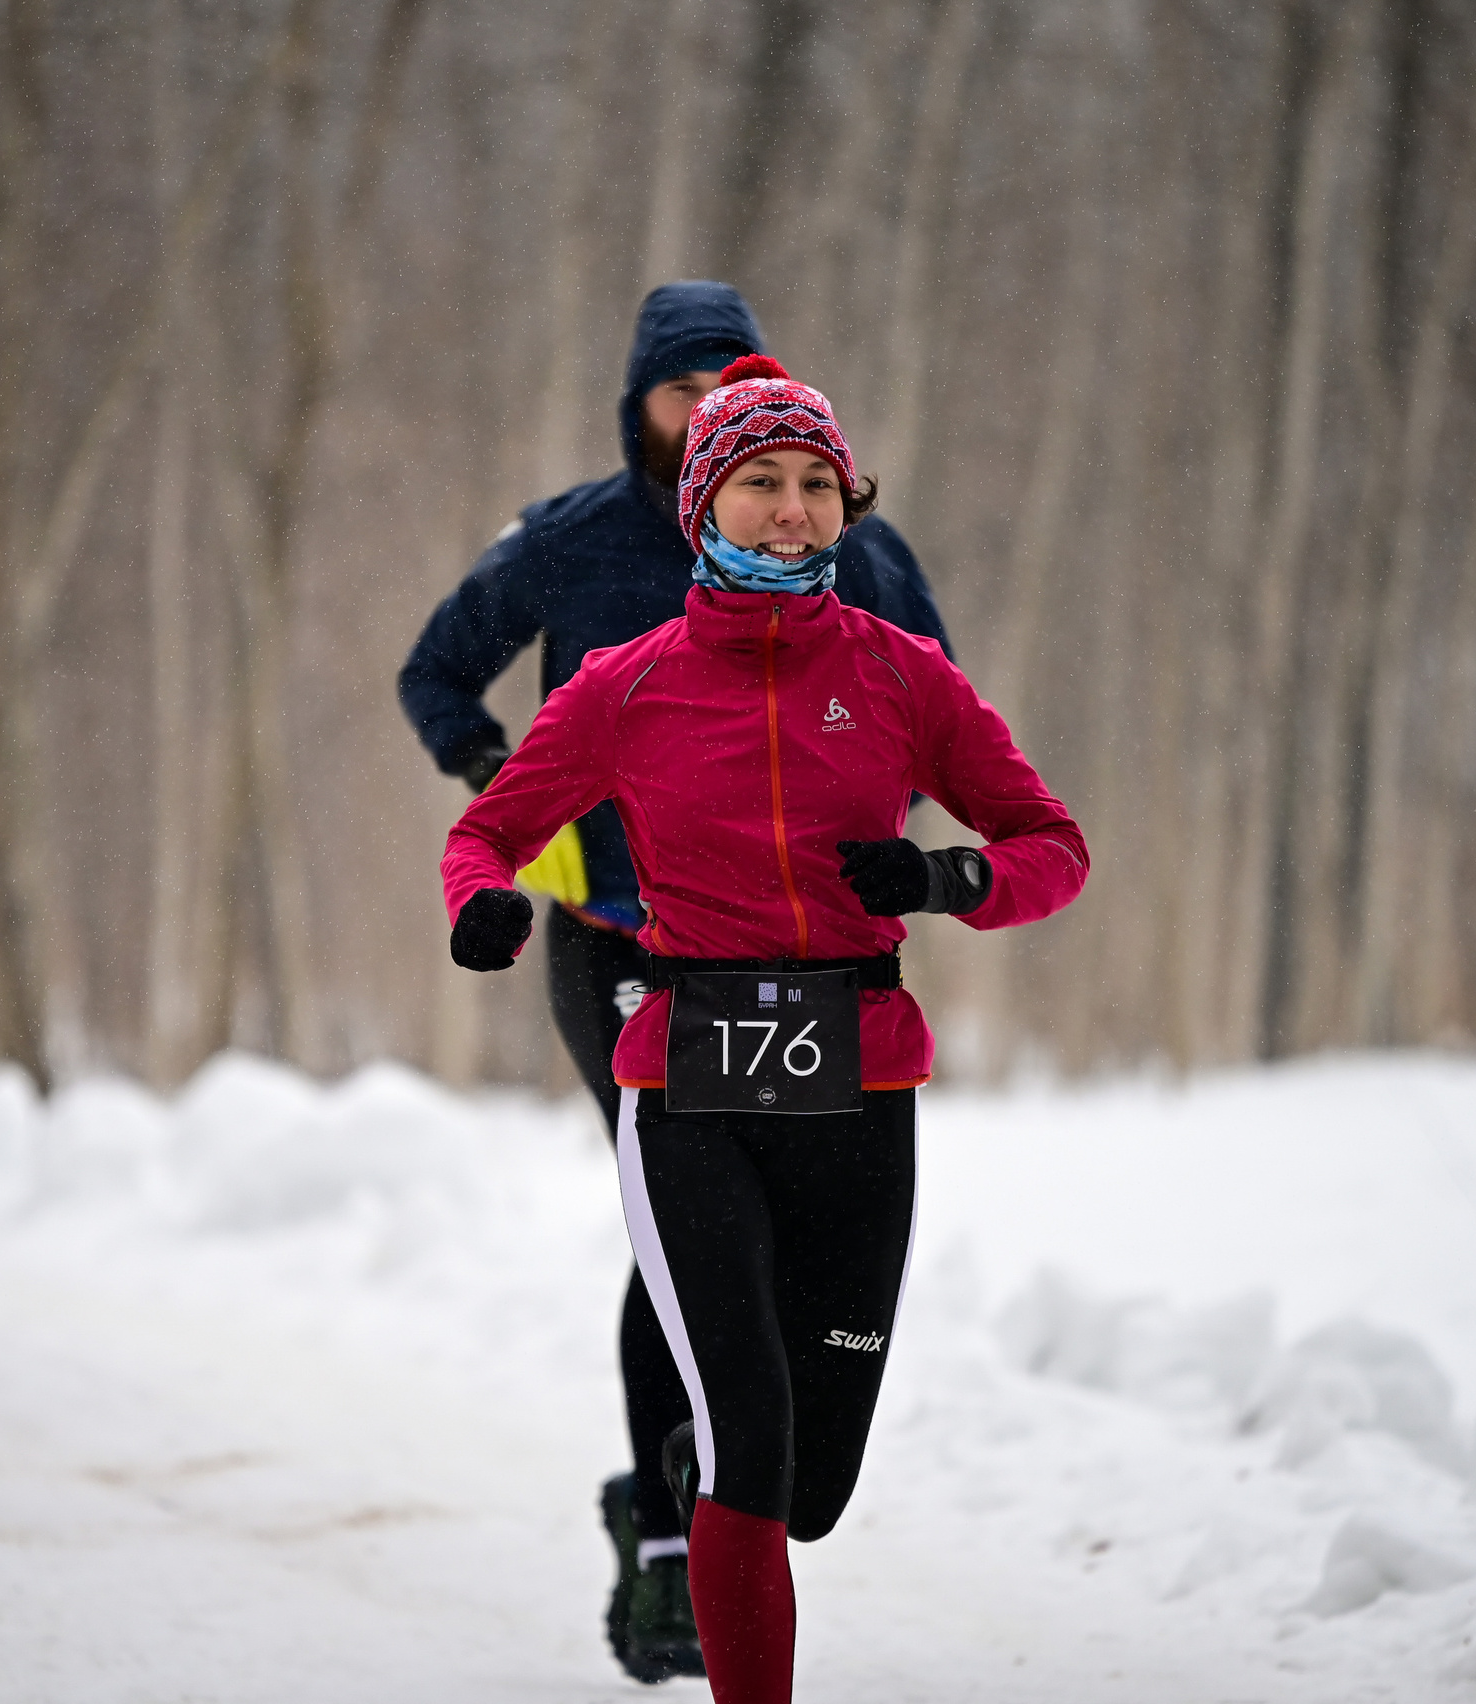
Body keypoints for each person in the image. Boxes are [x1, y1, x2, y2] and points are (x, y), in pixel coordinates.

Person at [439, 356, 1087, 1703]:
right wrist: (488, 903)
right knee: (749, 1446)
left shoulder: (904, 678)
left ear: (844, 505)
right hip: (687, 1087)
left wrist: (952, 879)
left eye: (815, 486)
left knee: (813, 1488)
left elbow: (1053, 844)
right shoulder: (629, 684)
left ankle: (720, 1490)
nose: (792, 510)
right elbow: (489, 829)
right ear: (703, 502)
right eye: (759, 482)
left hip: (858, 1088)